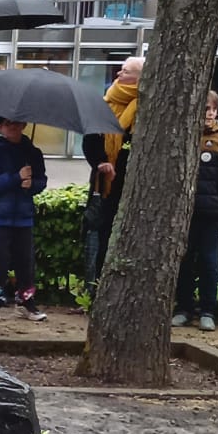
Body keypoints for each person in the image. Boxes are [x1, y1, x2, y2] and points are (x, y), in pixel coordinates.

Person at [173, 90, 218, 332]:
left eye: (212, 109)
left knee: (209, 262)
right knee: (184, 261)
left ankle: (208, 311)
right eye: (204, 110)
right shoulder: (184, 136)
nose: (209, 114)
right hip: (185, 214)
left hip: (211, 214)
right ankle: (183, 308)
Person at [82, 54, 144, 286]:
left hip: (133, 183)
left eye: (126, 71)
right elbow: (90, 138)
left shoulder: (148, 104)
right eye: (121, 70)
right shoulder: (106, 101)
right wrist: (100, 162)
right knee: (103, 234)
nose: (119, 74)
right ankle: (98, 286)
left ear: (139, 78)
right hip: (106, 182)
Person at [0, 118, 47, 323]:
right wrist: (16, 177)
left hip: (23, 216)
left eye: (17, 123)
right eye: (7, 124)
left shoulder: (33, 152)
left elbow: (41, 181)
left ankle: (26, 301)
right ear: (0, 127)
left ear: (24, 125)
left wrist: (32, 184)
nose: (13, 127)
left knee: (25, 262)